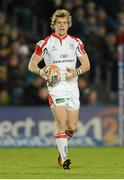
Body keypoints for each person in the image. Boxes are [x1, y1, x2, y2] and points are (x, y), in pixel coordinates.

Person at [28, 9, 90, 169]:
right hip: (56, 88)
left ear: (69, 25)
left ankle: (61, 146)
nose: (62, 25)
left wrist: (76, 72)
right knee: (61, 123)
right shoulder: (45, 43)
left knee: (73, 127)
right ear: (53, 25)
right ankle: (63, 159)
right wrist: (42, 72)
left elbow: (86, 64)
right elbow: (32, 65)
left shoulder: (76, 42)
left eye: (64, 23)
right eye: (59, 23)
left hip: (72, 87)